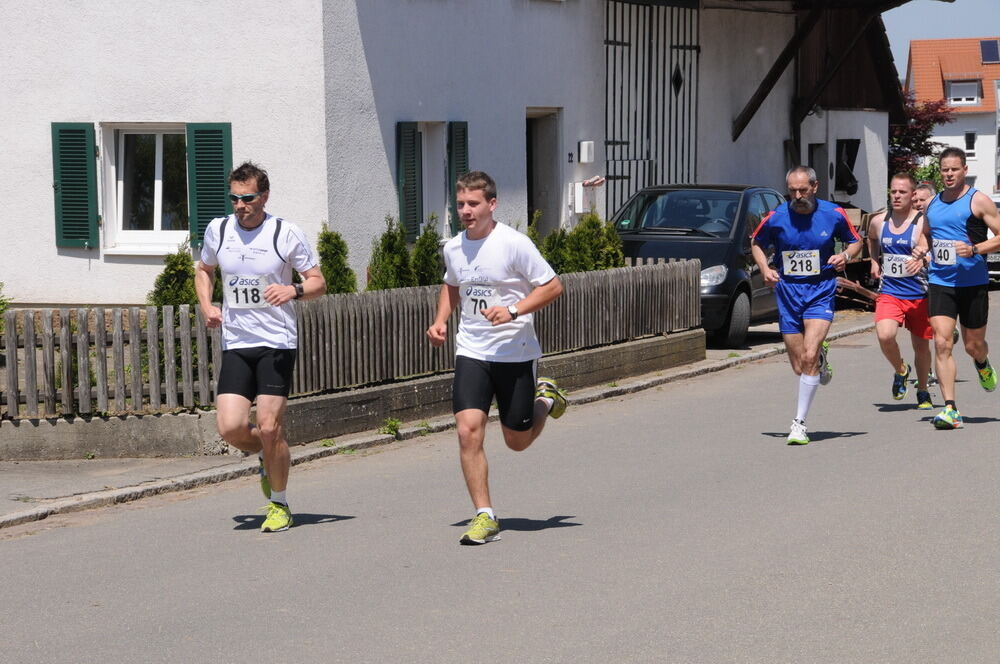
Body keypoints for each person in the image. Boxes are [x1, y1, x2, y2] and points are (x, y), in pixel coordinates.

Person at [426, 171, 566, 545]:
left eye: (473, 204)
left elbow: (553, 286)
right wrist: (440, 320)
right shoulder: (454, 247)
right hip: (472, 349)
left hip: (515, 352)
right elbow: (452, 284)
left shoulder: (514, 244)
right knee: (468, 429)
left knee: (516, 440)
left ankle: (545, 399)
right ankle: (484, 515)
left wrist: (515, 311)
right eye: (460, 205)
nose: (466, 212)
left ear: (492, 204)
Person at [195, 161, 326, 531]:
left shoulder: (285, 234)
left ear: (264, 196)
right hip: (236, 341)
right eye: (235, 198)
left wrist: (293, 289)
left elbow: (318, 282)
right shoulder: (218, 230)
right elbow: (203, 269)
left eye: (248, 198)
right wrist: (207, 305)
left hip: (276, 342)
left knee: (269, 427)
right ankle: (270, 457)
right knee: (231, 427)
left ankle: (279, 504)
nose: (240, 205)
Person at [750, 166, 862, 445]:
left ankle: (799, 423)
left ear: (815, 187)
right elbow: (756, 242)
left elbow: (855, 240)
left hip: (821, 290)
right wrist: (764, 268)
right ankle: (820, 360)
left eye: (802, 190)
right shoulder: (776, 217)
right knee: (800, 366)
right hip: (788, 293)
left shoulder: (833, 214)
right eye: (792, 191)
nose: (797, 196)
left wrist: (845, 255)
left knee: (809, 355)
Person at [910, 147, 1000, 429]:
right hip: (940, 282)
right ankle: (950, 408)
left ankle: (982, 361)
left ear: (964, 170)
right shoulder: (934, 204)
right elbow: (926, 237)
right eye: (944, 170)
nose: (949, 174)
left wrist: (974, 249)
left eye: (954, 169)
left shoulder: (979, 201)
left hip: (972, 283)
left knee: (973, 345)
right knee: (941, 341)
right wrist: (921, 252)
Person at [866, 173, 933, 409]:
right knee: (885, 335)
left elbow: (934, 248)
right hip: (890, 292)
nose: (896, 196)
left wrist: (924, 259)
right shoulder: (878, 221)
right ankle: (901, 370)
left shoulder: (923, 222)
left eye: (902, 192)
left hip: (919, 293)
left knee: (921, 346)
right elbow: (872, 239)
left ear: (912, 194)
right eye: (893, 191)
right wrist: (874, 261)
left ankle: (923, 391)